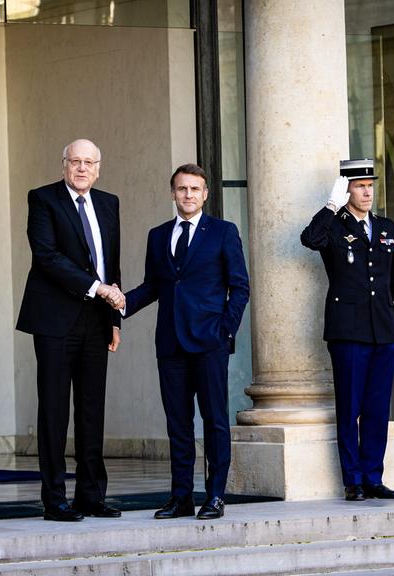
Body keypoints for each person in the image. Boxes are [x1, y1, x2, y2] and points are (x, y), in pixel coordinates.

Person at [118, 164, 249, 520]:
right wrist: (121, 305)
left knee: (214, 421)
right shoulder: (158, 236)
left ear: (205, 194)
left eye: (195, 189)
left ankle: (216, 495)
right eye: (181, 189)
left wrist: (225, 330)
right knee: (177, 423)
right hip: (171, 345)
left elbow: (239, 287)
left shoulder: (223, 232)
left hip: (209, 342)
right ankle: (181, 497)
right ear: (172, 193)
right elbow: (153, 286)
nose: (188, 194)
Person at [16, 139, 123, 522]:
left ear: (98, 167)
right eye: (75, 161)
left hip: (97, 322)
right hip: (54, 320)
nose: (81, 168)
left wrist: (114, 318)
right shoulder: (43, 199)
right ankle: (55, 499)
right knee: (54, 410)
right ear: (64, 165)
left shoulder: (109, 203)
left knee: (92, 410)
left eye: (88, 162)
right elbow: (46, 256)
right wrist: (97, 289)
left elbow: (112, 264)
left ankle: (91, 495)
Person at [300, 158, 394, 502]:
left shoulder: (387, 227)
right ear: (346, 189)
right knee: (350, 408)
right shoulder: (333, 225)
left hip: (383, 330)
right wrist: (330, 206)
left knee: (377, 408)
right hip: (348, 331)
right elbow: (309, 239)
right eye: (359, 186)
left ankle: (374, 477)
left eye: (370, 185)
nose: (366, 191)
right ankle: (354, 480)